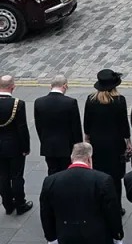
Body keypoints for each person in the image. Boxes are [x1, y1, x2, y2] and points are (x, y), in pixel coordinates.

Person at [39, 142, 124, 244]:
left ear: (72, 158)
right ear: (89, 159)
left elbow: (46, 213)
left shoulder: (51, 181)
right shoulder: (103, 180)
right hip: (97, 236)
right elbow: (112, 212)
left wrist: (51, 237)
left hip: (66, 236)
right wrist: (117, 235)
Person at [84, 69, 132, 204]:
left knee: (98, 175)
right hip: (115, 145)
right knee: (115, 178)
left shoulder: (91, 100)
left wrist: (87, 138)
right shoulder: (119, 101)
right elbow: (124, 125)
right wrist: (128, 141)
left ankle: (100, 203)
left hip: (97, 144)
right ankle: (116, 205)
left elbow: (86, 123)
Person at [33, 74, 82, 176]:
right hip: (66, 146)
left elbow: (39, 126)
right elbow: (76, 127)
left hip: (48, 145)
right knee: (67, 173)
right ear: (64, 86)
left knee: (52, 171)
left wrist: (44, 140)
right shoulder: (70, 102)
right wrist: (78, 145)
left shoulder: (39, 102)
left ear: (51, 86)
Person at [0, 75, 30, 216]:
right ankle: (20, 204)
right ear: (12, 86)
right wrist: (25, 148)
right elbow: (22, 128)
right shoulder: (18, 104)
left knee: (2, 176)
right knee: (17, 176)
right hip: (14, 146)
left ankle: (7, 204)